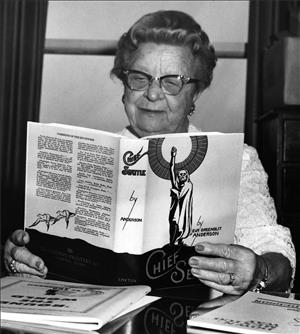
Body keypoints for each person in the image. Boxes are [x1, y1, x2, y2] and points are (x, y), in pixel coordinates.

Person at [3, 10, 295, 296]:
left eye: (172, 82)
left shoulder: (237, 159)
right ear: (124, 86)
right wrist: (23, 257)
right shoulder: (85, 154)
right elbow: (47, 252)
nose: (152, 94)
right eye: (140, 78)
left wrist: (259, 270)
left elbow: (276, 256)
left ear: (196, 93)